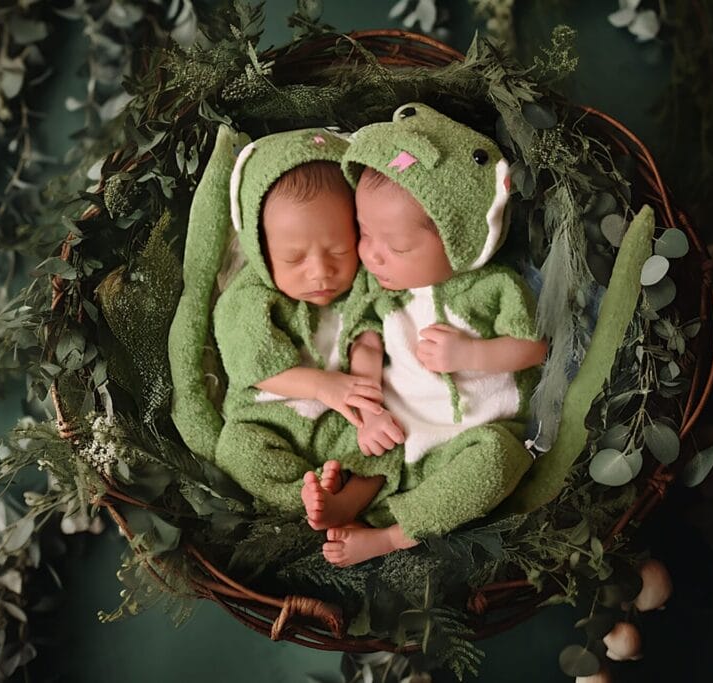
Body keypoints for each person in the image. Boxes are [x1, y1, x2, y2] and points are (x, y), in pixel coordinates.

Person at [321, 103, 548, 566]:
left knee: (498, 462)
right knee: (356, 440)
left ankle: (392, 536)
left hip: (473, 436)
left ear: (460, 242)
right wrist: (369, 408)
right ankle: (350, 500)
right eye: (365, 233)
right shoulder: (378, 287)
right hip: (398, 424)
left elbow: (533, 349)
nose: (373, 256)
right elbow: (363, 339)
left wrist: (471, 355)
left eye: (398, 246)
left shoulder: (494, 288)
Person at [209, 128, 404, 526]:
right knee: (236, 450)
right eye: (294, 258)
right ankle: (305, 494)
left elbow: (369, 339)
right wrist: (322, 385)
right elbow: (255, 366)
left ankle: (347, 501)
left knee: (391, 438)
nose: (320, 272)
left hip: (343, 421)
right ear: (261, 250)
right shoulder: (249, 298)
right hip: (270, 419)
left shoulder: (365, 283)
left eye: (338, 250)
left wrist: (368, 407)